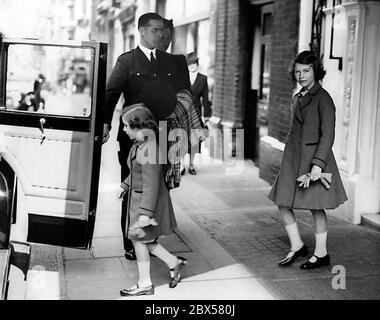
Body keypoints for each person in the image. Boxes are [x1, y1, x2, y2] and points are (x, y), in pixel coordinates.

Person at [102, 12, 190, 261]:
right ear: (141, 31)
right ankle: (131, 244)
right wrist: (106, 124)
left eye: (163, 30)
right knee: (133, 189)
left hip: (163, 135)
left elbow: (183, 95)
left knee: (158, 189)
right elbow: (111, 94)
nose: (160, 34)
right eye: (155, 30)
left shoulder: (169, 62)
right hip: (133, 138)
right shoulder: (127, 61)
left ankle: (150, 238)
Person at [268, 50, 348, 270]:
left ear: (315, 71)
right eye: (297, 71)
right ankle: (297, 246)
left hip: (314, 161)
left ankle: (321, 253)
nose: (301, 75)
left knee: (316, 207)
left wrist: (317, 165)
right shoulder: (298, 97)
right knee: (282, 201)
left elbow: (328, 135)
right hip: (293, 160)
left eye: (306, 70)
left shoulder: (323, 99)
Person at [117, 104, 188, 296]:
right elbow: (136, 172)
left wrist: (145, 215)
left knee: (139, 241)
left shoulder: (148, 149)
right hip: (140, 201)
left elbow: (151, 185)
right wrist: (125, 185)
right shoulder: (141, 145)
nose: (123, 129)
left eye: (126, 126)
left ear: (138, 127)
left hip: (145, 205)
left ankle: (145, 284)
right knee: (144, 241)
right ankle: (174, 263)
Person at [181, 52, 212, 175]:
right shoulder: (182, 77)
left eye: (194, 63)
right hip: (183, 112)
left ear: (197, 65)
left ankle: (192, 165)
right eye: (189, 64)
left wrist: (207, 117)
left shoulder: (203, 79)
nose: (192, 66)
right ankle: (183, 164)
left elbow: (205, 99)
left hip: (196, 114)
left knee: (194, 141)